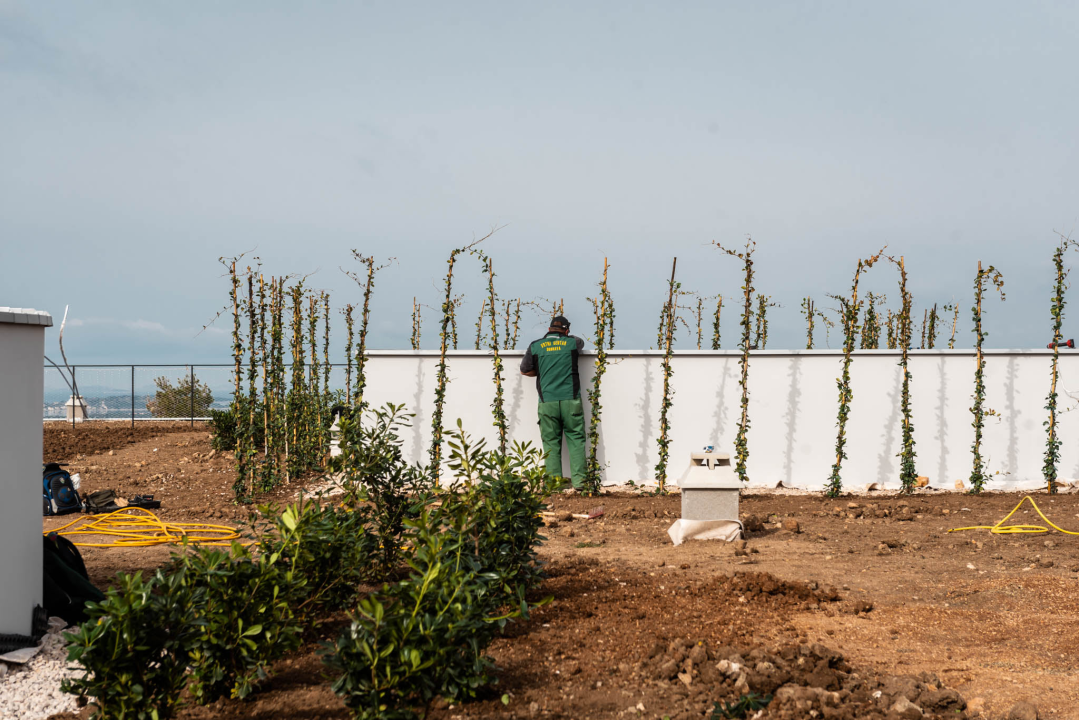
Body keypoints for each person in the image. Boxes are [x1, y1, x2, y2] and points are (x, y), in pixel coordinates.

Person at [520, 316, 587, 488]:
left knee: (550, 442)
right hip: (571, 400)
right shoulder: (572, 343)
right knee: (576, 440)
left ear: (549, 329)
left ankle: (554, 485)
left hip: (547, 402)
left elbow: (525, 370)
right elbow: (580, 342)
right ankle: (580, 483)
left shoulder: (535, 346)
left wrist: (542, 371)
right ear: (566, 331)